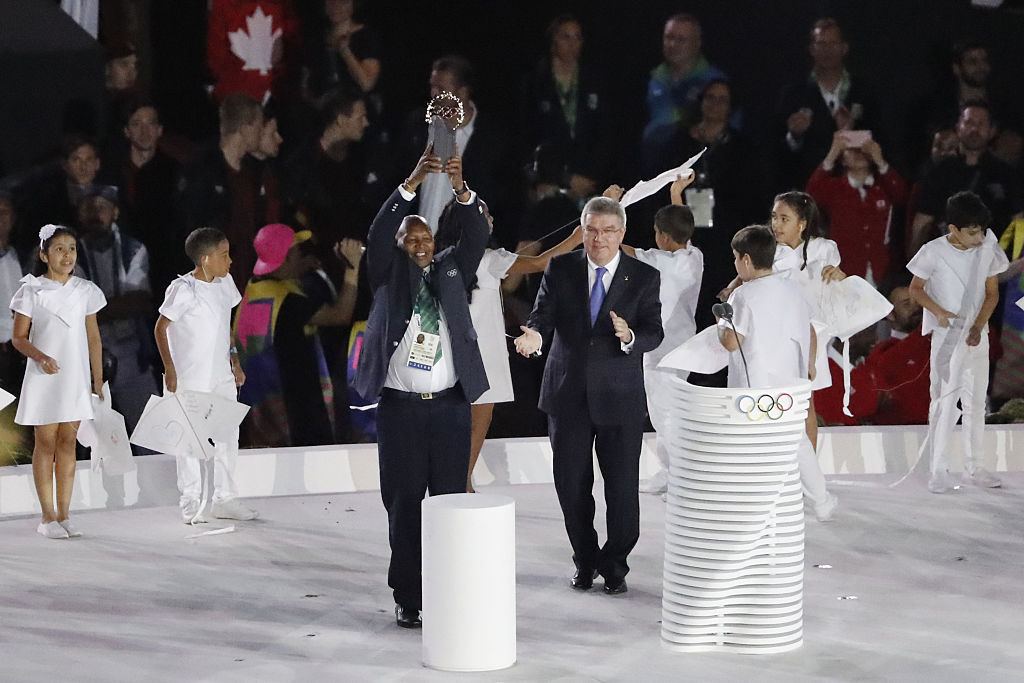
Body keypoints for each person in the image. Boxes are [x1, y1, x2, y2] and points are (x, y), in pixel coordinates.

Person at [353, 147, 489, 629]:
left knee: (449, 502)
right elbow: (375, 235)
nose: (420, 245)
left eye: (425, 237)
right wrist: (411, 180)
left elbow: (477, 232)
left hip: (451, 409)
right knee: (405, 503)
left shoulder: (453, 271)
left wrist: (461, 190)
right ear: (400, 246)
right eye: (410, 240)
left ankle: (449, 589)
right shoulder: (389, 276)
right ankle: (409, 596)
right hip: (402, 412)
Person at [514, 196, 664, 595]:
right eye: (592, 230)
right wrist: (533, 334)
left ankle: (616, 564)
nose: (599, 239)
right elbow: (542, 315)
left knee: (621, 491)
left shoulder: (644, 276)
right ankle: (584, 559)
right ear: (582, 231)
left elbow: (655, 330)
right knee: (572, 487)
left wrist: (630, 336)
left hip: (620, 399)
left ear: (622, 233)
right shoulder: (560, 268)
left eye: (608, 231)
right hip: (567, 396)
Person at [434, 199, 583, 492]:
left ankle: (454, 478)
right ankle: (462, 481)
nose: (491, 218)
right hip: (484, 349)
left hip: (451, 348)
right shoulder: (489, 258)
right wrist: (575, 238)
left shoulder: (443, 259)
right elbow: (542, 262)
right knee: (480, 415)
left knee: (455, 416)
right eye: (486, 214)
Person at [716, 225, 836, 521]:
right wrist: (809, 365)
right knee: (796, 442)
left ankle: (756, 509)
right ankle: (821, 500)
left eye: (734, 259)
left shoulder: (743, 295)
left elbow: (732, 342)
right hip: (791, 384)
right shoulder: (792, 288)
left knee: (750, 448)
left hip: (755, 388)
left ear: (745, 260)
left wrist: (721, 320)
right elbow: (809, 329)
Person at [602, 179, 703, 494]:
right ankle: (671, 470)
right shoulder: (694, 256)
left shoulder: (660, 262)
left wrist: (609, 207)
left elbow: (616, 243)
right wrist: (676, 192)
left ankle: (680, 474)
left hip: (662, 348)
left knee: (664, 413)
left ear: (662, 236)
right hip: (686, 344)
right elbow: (682, 223)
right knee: (671, 410)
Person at [907, 191, 1009, 493]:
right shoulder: (933, 251)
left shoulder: (987, 248)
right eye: (973, 232)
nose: (979, 237)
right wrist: (938, 311)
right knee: (944, 402)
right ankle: (938, 468)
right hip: (947, 336)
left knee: (977, 402)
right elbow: (915, 289)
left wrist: (979, 327)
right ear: (953, 229)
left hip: (978, 335)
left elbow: (992, 294)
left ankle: (974, 466)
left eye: (982, 231)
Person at [154, 227, 255, 524]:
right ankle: (190, 499)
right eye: (224, 255)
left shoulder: (225, 283)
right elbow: (161, 328)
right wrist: (170, 370)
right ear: (205, 258)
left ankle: (225, 498)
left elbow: (226, 327)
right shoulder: (184, 289)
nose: (230, 261)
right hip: (190, 376)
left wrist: (235, 362)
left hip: (220, 374)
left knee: (227, 434)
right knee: (189, 438)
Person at [11, 225, 105, 538]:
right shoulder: (31, 290)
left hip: (74, 377)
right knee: (46, 443)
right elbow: (18, 338)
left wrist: (97, 378)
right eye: (59, 249)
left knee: (68, 442)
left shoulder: (85, 290)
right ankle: (47, 516)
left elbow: (93, 336)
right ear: (44, 254)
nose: (67, 255)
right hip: (44, 376)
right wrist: (41, 357)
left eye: (72, 248)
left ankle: (64, 514)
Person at [234, 224, 362, 447]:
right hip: (294, 407)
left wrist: (302, 266)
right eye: (298, 252)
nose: (303, 255)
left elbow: (283, 274)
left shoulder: (255, 288)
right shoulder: (289, 304)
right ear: (287, 258)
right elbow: (341, 315)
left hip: (261, 406)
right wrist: (352, 269)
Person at [76, 185, 160, 435]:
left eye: (102, 207)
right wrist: (119, 305)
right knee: (96, 442)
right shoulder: (69, 252)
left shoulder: (132, 248)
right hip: (88, 361)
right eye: (88, 207)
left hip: (131, 354)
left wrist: (93, 310)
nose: (95, 213)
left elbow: (141, 299)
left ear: (115, 212)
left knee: (152, 434)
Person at [774, 18, 888, 192]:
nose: (827, 50)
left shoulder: (865, 93)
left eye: (833, 43)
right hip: (807, 190)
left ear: (844, 48)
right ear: (812, 49)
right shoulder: (793, 95)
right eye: (821, 44)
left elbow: (880, 142)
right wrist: (794, 136)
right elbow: (776, 153)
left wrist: (849, 134)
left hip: (856, 190)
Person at [909, 101, 1022, 257]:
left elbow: (1019, 222)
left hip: (994, 266)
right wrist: (916, 269)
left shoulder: (1006, 174)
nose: (974, 129)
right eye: (969, 123)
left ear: (992, 130)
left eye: (981, 124)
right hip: (949, 264)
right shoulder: (939, 172)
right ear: (958, 127)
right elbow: (922, 223)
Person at [180, 93, 268, 291]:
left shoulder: (252, 172)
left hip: (247, 286)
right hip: (213, 287)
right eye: (259, 125)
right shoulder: (203, 172)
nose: (262, 132)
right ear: (246, 127)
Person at [519, 14, 611, 197]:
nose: (573, 43)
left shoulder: (594, 81)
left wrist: (589, 177)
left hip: (588, 182)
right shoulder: (535, 82)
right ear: (553, 41)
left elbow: (605, 133)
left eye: (577, 37)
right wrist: (562, 177)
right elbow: (527, 137)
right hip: (548, 181)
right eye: (565, 37)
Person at [806, 131, 907, 284]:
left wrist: (880, 161)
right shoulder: (835, 188)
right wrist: (832, 154)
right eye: (852, 150)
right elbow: (811, 194)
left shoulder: (884, 186)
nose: (859, 153)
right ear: (843, 158)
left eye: (864, 149)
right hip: (846, 269)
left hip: (882, 271)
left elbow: (902, 194)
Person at [109, 101, 184, 294]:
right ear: (127, 131)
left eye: (150, 124)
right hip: (117, 266)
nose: (144, 130)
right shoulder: (112, 171)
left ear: (159, 130)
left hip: (162, 269)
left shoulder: (174, 172)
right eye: (137, 124)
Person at [641, 13, 727, 176]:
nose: (673, 44)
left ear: (697, 43)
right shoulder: (651, 78)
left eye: (681, 39)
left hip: (699, 170)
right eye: (668, 38)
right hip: (654, 169)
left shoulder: (714, 83)